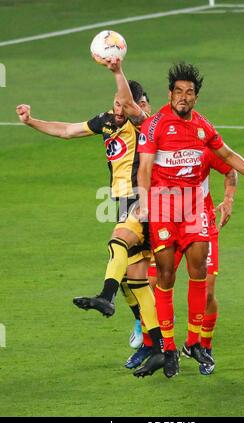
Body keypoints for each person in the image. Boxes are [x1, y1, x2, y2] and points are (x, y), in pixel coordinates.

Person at [136, 62, 244, 378]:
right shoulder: (154, 126)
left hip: (195, 212)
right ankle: (167, 348)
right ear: (170, 94)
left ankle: (195, 342)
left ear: (196, 97)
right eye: (178, 91)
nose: (183, 97)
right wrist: (142, 202)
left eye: (189, 92)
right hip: (165, 211)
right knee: (164, 277)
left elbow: (230, 158)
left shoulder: (203, 127)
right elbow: (144, 167)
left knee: (201, 275)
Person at [16, 62, 165, 377]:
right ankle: (157, 347)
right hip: (122, 201)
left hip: (144, 200)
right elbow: (68, 130)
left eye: (123, 103)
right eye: (115, 103)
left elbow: (129, 103)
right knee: (135, 280)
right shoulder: (108, 122)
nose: (118, 107)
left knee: (117, 246)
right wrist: (31, 122)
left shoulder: (146, 124)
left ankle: (105, 298)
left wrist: (116, 70)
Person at [125, 148, 237, 375]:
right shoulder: (157, 150)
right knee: (152, 286)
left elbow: (231, 169)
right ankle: (155, 347)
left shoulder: (203, 147)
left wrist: (228, 199)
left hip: (199, 222)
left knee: (207, 292)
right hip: (167, 223)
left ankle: (202, 346)